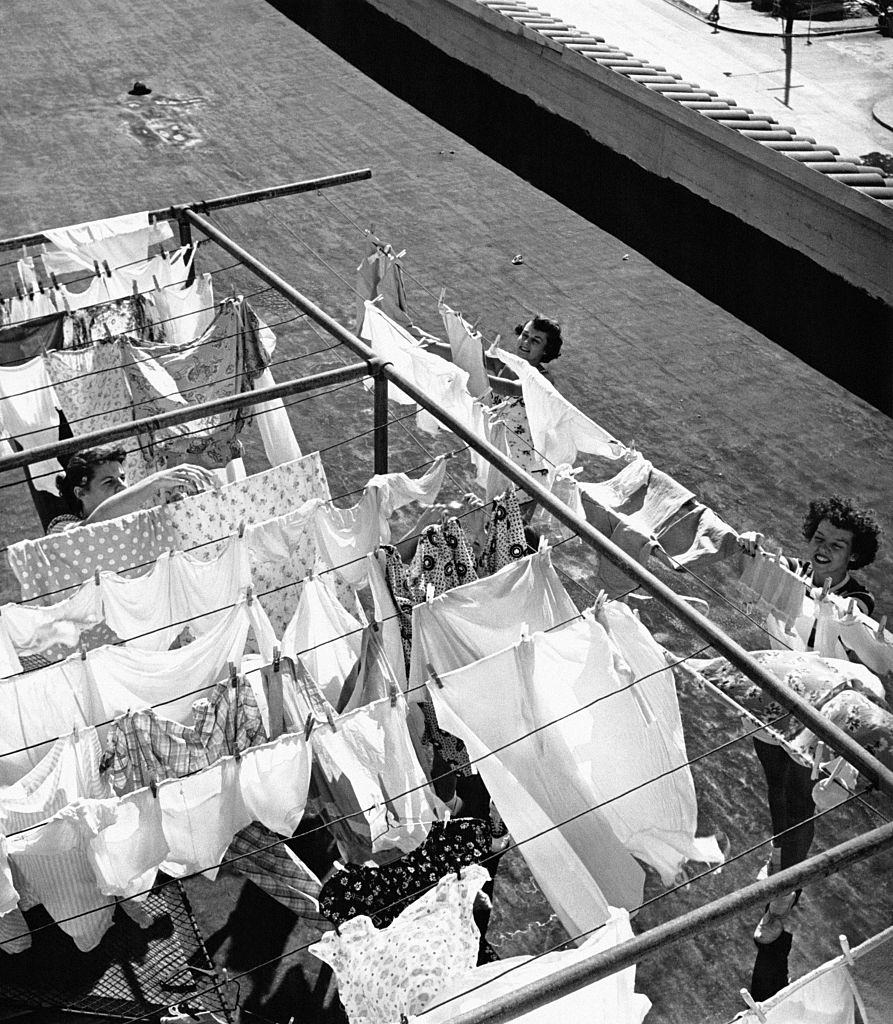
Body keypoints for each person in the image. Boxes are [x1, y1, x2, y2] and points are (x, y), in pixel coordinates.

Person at [736, 495, 881, 942]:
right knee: (775, 788)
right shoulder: (791, 574)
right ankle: (783, 863)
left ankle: (784, 896)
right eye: (819, 537)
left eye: (837, 545)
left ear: (853, 555)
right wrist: (749, 551)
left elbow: (856, 640)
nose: (824, 549)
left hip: (818, 713)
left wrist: (836, 609)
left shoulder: (858, 603)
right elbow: (751, 579)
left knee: (799, 801)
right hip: (772, 691)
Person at [48, 446, 217, 534]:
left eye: (122, 478)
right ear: (81, 493)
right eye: (108, 482)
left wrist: (174, 514)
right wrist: (154, 481)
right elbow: (87, 530)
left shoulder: (138, 517)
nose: (121, 486)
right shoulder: (61, 525)